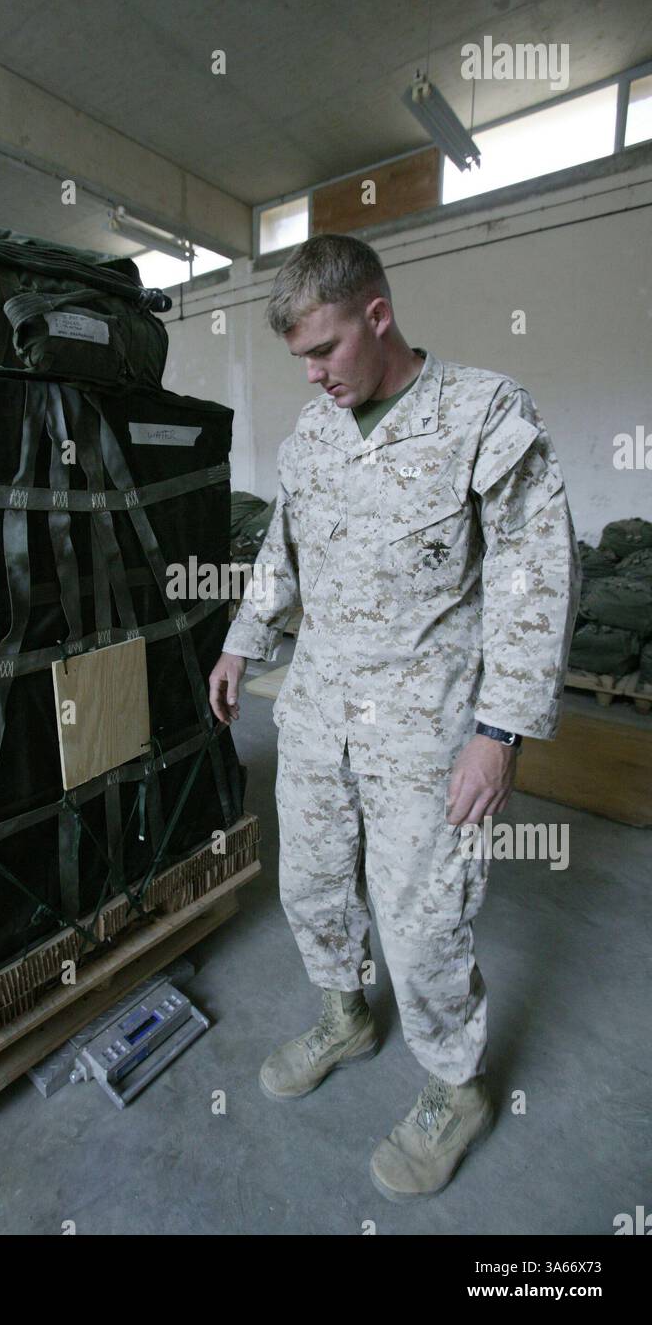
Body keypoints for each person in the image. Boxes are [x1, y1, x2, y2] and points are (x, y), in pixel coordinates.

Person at [209, 233, 581, 1202]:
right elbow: (282, 555)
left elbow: (534, 574)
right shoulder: (313, 435)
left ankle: (454, 1085)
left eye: (325, 348)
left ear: (377, 313)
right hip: (321, 707)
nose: (314, 372)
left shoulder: (483, 414)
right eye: (299, 357)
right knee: (315, 882)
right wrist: (241, 641)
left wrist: (499, 734)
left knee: (423, 921)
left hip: (429, 726)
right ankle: (346, 1014)